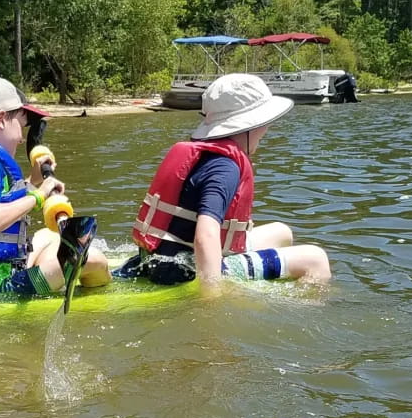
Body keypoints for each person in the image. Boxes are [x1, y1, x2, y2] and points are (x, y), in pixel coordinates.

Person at [119, 73, 330, 286]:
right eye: (266, 122)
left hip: (159, 256)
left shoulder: (207, 156)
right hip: (184, 269)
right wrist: (212, 296)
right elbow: (205, 235)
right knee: (316, 259)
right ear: (253, 124)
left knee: (282, 232)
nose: (267, 129)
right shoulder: (225, 167)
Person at [0, 76, 110, 297]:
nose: (20, 139)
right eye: (20, 125)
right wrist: (39, 195)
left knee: (49, 235)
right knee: (94, 260)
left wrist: (33, 181)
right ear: (0, 119)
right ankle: (101, 295)